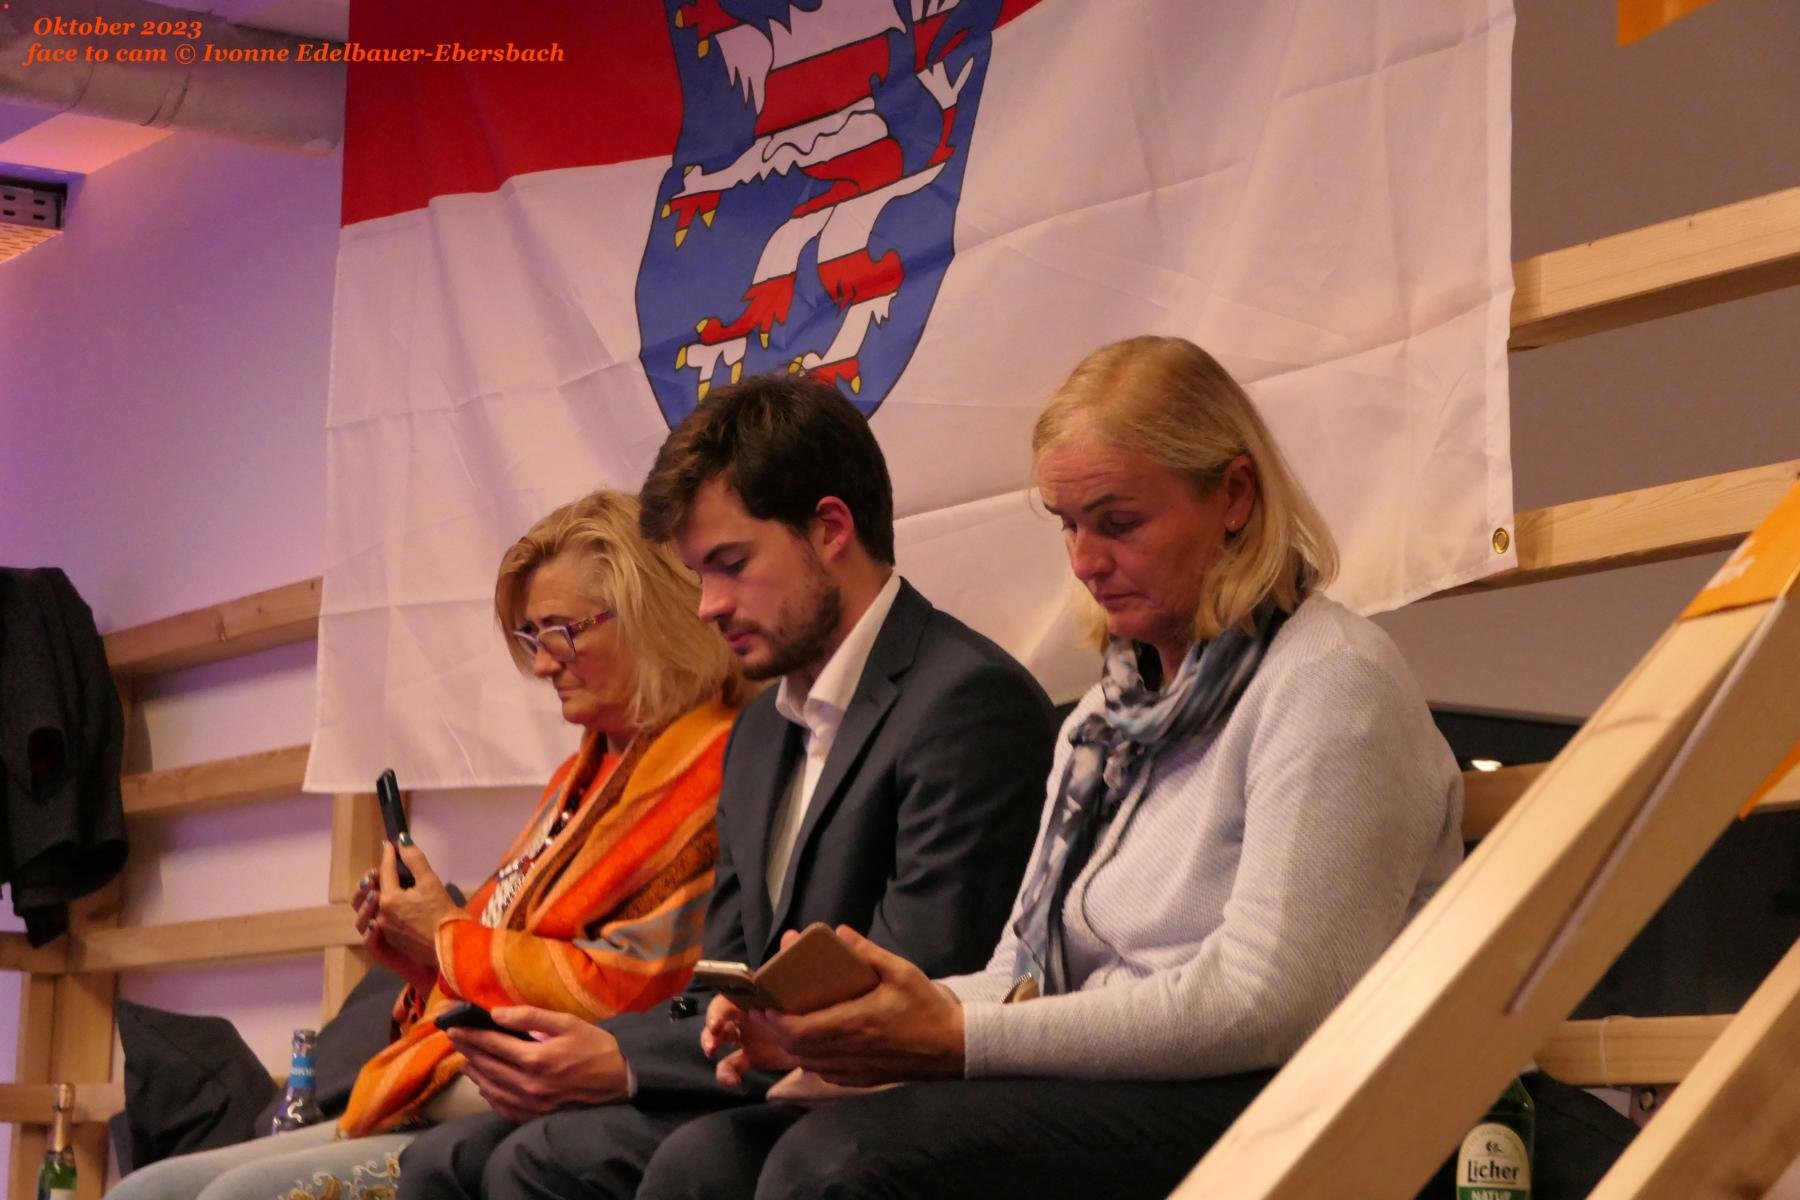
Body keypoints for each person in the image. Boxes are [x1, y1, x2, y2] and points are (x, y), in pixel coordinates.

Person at [644, 335, 1466, 1199]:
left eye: (1119, 522)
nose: (1084, 560)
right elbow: (1021, 980)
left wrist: (954, 1038)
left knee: (838, 1166)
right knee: (707, 1165)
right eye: (1069, 524)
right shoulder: (1104, 722)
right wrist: (847, 1029)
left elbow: (1267, 1004)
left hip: (1292, 1102)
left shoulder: (1328, 676)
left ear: (1234, 496)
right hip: (1130, 1092)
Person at [397, 373, 1058, 1200]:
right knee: (445, 1161)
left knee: (555, 1161)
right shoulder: (761, 731)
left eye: (731, 565)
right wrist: (621, 1053)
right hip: (769, 1078)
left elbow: (914, 983)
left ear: (830, 530)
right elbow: (723, 973)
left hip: (888, 1095)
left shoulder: (965, 702)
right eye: (698, 573)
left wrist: (623, 1061)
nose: (707, 605)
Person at [105, 489, 745, 1200]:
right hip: (449, 1086)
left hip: (530, 1103)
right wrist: (419, 961)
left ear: (650, 615)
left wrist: (444, 937)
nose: (543, 665)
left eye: (562, 632)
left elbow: (632, 989)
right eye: (532, 637)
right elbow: (499, 958)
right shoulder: (578, 776)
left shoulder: (713, 768)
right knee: (145, 1193)